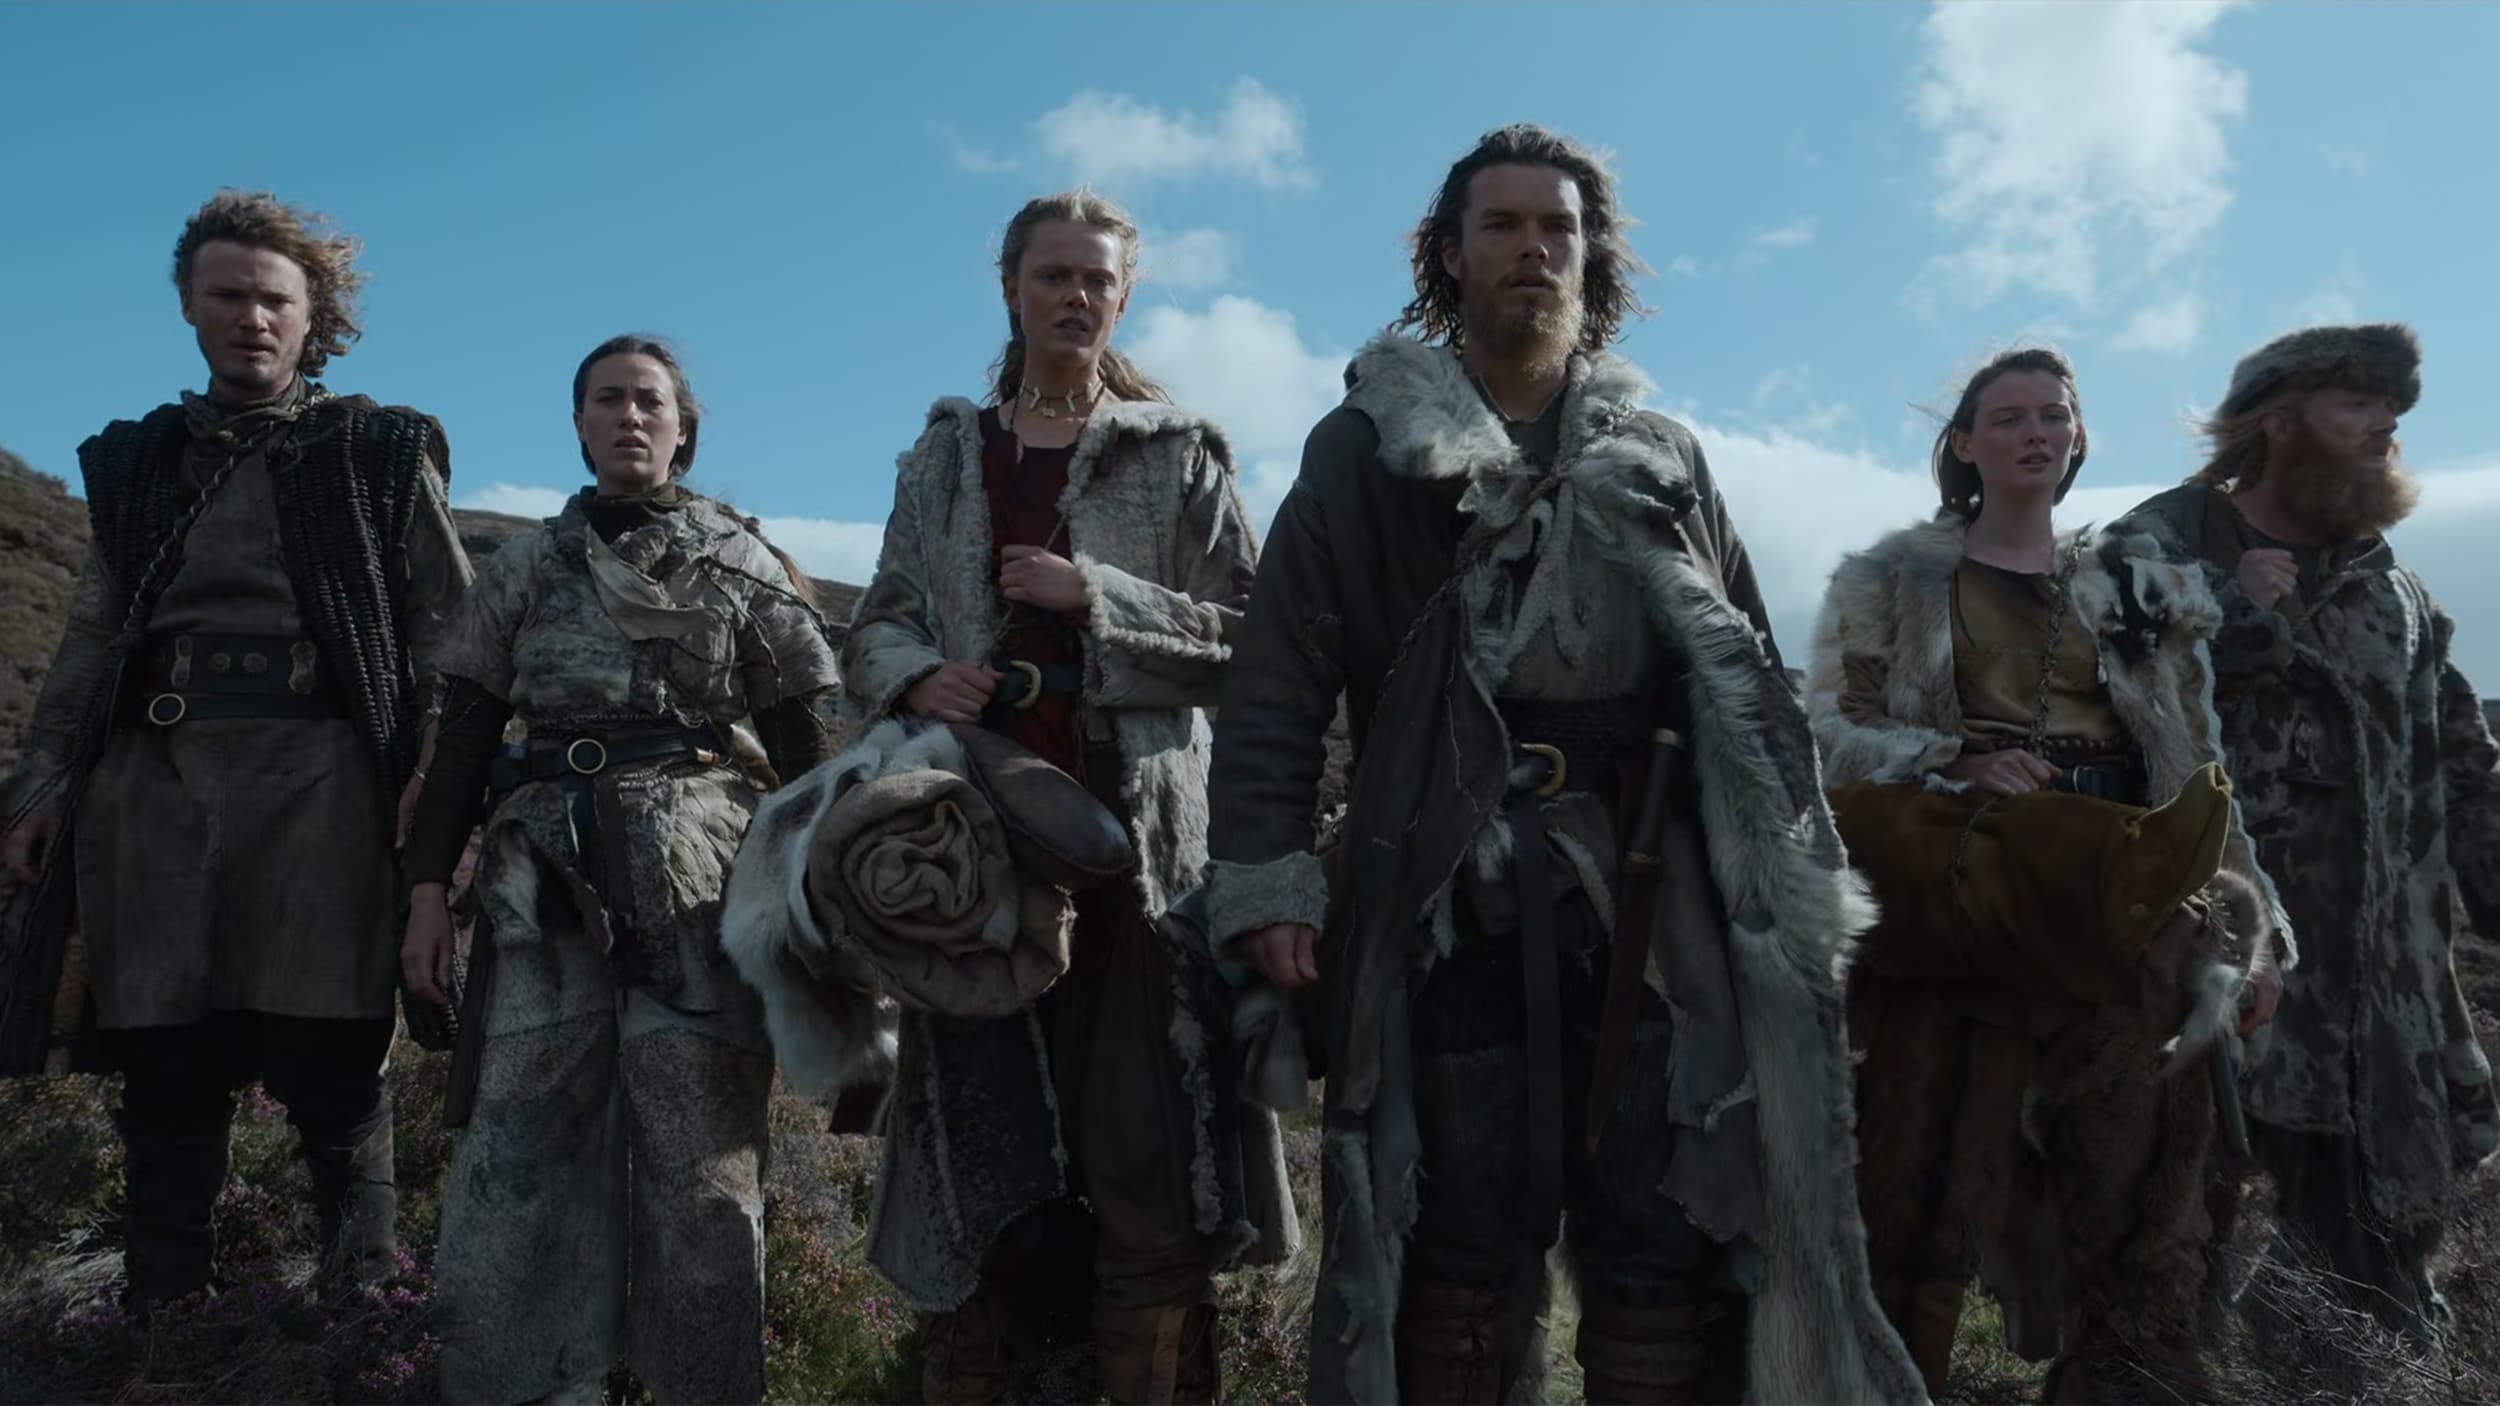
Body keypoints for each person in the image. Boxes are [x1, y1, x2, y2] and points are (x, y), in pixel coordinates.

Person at [1202, 123, 1924, 1405]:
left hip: (1653, 894)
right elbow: (1276, 681)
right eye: (1502, 225)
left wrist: (1789, 895)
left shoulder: (1660, 454)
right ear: (1449, 254)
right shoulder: (1362, 447)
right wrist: (1268, 875)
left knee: (1660, 1235)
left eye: (1558, 228)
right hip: (1443, 887)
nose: (1532, 249)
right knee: (1454, 1236)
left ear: (1593, 260)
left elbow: (1748, 678)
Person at [822, 189, 1276, 1404]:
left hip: (1139, 846)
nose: (1075, 295)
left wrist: (1100, 597)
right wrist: (916, 673)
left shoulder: (1178, 452)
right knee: (975, 1137)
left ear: (1124, 297)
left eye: (1096, 279)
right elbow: (879, 620)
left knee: (1147, 1141)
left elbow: (1251, 638)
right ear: (1011, 289)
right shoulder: (944, 457)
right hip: (965, 839)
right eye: (1052, 275)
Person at [0, 190, 470, 1312]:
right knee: (168, 1068)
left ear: (313, 316)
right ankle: (164, 1326)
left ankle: (364, 1316)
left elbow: (450, 637)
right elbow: (94, 634)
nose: (251, 318)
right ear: (188, 305)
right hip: (154, 793)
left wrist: (438, 796)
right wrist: (39, 785)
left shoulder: (375, 450)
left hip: (325, 792)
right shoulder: (140, 463)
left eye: (274, 300)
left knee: (330, 1061)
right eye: (227, 295)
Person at [1808, 346, 2286, 1401]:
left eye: (2053, 415)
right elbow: (1830, 730)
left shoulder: (2139, 587)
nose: (2035, 432)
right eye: (2009, 416)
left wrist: (2257, 941)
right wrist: (1948, 759)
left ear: (2077, 438)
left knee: (2143, 1212)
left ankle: (2120, 1381)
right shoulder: (1889, 578)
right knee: (1917, 1201)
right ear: (1964, 444)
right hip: (1961, 894)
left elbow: (2198, 768)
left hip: (2122, 898)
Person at [399, 335, 843, 1403]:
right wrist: (424, 894)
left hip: (701, 882)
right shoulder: (523, 567)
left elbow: (809, 746)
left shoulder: (742, 563)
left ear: (684, 428)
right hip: (540, 887)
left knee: (704, 1164)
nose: (629, 416)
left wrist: (836, 896)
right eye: (608, 399)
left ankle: (704, 1387)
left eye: (650, 401)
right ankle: (526, 1385)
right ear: (580, 424)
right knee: (519, 1147)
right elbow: (462, 742)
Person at [2115, 323, 2500, 1346]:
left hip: (2383, 995)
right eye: (2358, 406)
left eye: (2393, 414)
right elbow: (2100, 709)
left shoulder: (2390, 586)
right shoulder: (2157, 548)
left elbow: (2462, 757)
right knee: (2164, 1254)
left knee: (2374, 1261)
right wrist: (2235, 620)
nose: (2384, 430)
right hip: (2214, 974)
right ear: (2279, 422)